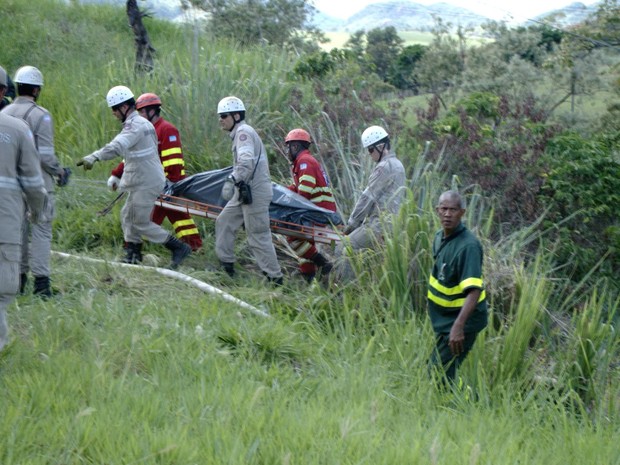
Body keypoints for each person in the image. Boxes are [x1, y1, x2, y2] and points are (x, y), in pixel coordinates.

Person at [77, 85, 191, 269]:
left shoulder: (135, 126)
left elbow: (117, 146)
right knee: (127, 216)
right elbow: (135, 155)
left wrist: (94, 156)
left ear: (123, 107)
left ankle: (178, 247)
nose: (113, 114)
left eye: (114, 109)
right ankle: (133, 254)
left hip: (146, 182)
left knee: (140, 221)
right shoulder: (144, 124)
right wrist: (119, 175)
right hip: (142, 179)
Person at [1, 65, 68, 297]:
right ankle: (42, 284)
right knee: (40, 230)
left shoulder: (5, 113)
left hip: (10, 184)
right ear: (37, 90)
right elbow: (46, 156)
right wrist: (60, 172)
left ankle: (18, 281)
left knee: (18, 232)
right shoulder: (41, 115)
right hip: (38, 183)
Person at [107, 93, 202, 252]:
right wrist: (117, 174)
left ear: (153, 111)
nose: (139, 115)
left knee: (147, 218)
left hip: (166, 184)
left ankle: (190, 247)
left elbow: (174, 162)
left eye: (142, 112)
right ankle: (192, 247)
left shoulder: (167, 130)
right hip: (152, 183)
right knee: (170, 216)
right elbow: (132, 158)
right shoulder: (144, 130)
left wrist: (171, 184)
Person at [0, 65, 48, 351]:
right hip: (5, 223)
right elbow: (33, 181)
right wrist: (37, 212)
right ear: (3, 91)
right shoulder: (17, 129)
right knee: (3, 291)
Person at [215, 96, 283, 284]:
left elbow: (246, 162)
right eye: (219, 116)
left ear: (236, 115)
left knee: (258, 235)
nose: (220, 119)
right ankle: (227, 268)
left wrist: (232, 179)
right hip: (244, 191)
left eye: (224, 115)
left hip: (255, 192)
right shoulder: (239, 133)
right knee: (224, 221)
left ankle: (274, 279)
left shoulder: (243, 133)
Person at [427, 190, 488, 382]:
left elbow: (474, 290)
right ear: (437, 210)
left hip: (462, 321)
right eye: (444, 209)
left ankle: (463, 406)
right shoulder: (439, 237)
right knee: (439, 369)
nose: (447, 214)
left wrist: (458, 326)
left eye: (453, 210)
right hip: (444, 320)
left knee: (439, 374)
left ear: (461, 213)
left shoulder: (468, 247)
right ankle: (458, 403)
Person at [334, 125, 405, 281]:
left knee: (343, 247)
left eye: (370, 150)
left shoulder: (383, 167)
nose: (370, 155)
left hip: (379, 225)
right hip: (394, 224)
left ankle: (344, 291)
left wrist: (351, 226)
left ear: (380, 147)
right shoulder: (398, 165)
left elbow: (366, 199)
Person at [284, 128, 337, 282]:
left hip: (318, 210)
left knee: (293, 235)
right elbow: (299, 187)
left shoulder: (304, 162)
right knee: (306, 245)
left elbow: (305, 190)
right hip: (319, 209)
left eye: (289, 146)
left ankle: (322, 263)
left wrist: (292, 208)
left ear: (295, 146)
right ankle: (309, 278)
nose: (287, 150)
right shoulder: (304, 162)